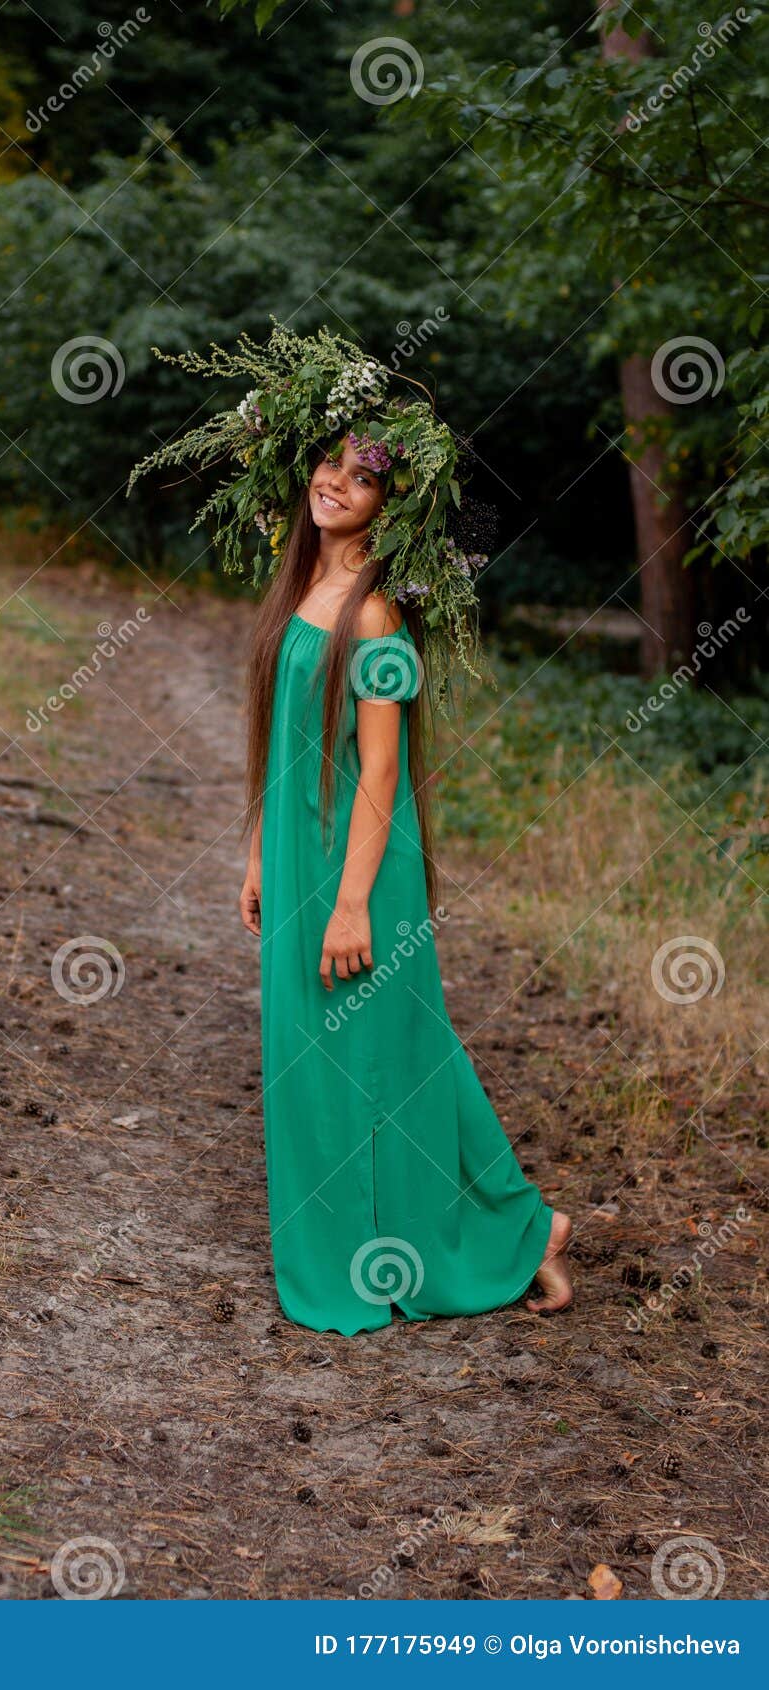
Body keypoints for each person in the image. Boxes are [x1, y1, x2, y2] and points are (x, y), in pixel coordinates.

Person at [238, 435, 573, 1335]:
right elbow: (284, 744)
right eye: (329, 466)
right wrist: (261, 852)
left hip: (359, 864)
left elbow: (379, 775)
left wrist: (351, 903)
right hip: (301, 852)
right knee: (321, 1059)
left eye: (363, 478)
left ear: (391, 506)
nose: (336, 484)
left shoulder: (378, 617)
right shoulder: (297, 588)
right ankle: (513, 1225)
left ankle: (508, 1229)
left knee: (401, 1047)